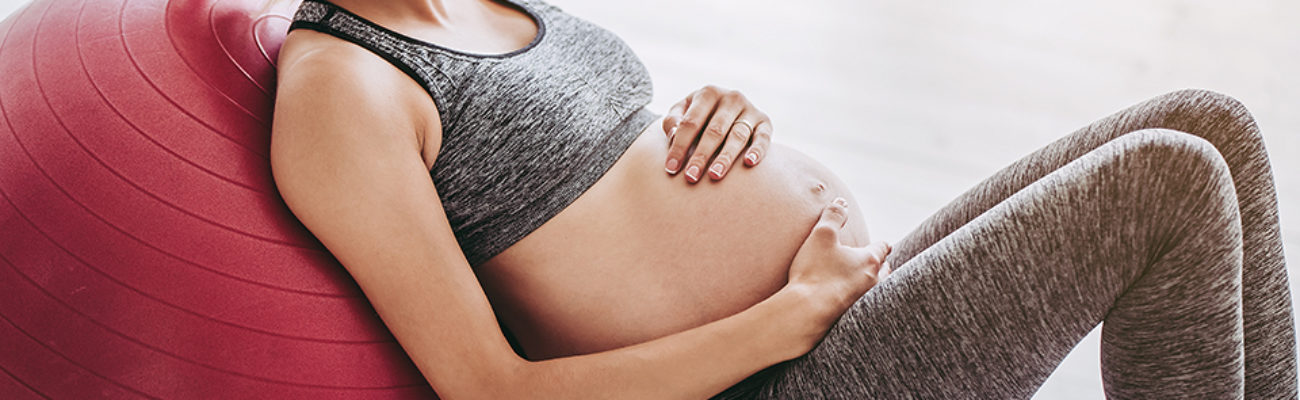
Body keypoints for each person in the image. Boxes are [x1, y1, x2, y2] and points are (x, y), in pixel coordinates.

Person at [266, 0, 1298, 398]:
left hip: (841, 311)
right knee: (1165, 180)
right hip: (780, 377)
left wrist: (722, 112)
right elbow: (483, 385)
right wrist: (787, 314)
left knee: (1212, 122)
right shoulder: (341, 89)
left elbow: (606, 176)